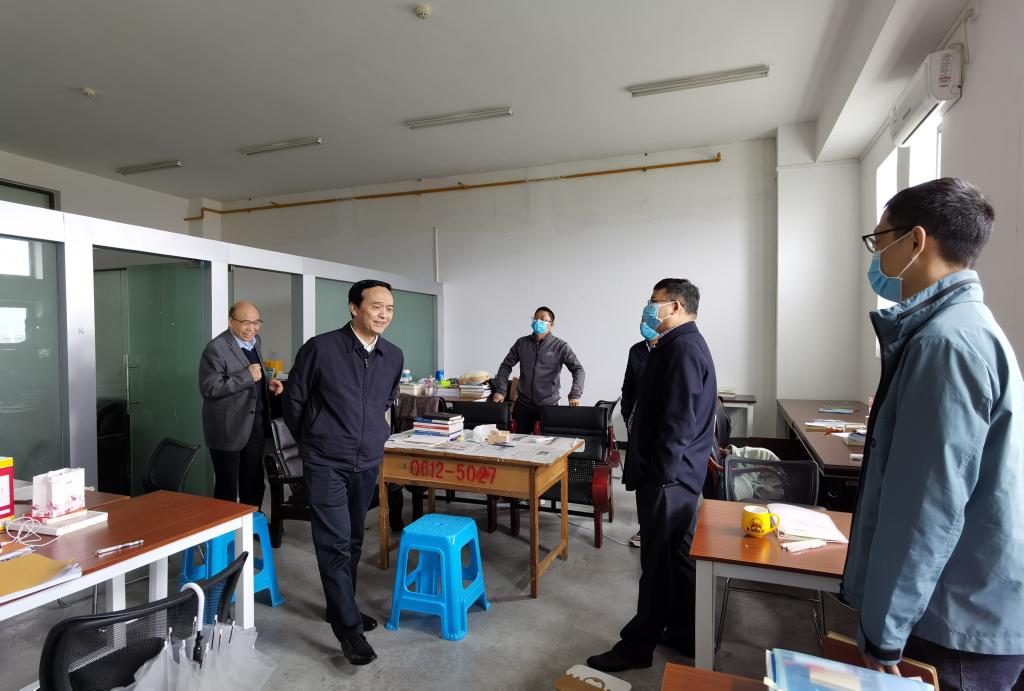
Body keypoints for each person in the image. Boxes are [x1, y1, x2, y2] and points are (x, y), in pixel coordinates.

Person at [843, 178, 1024, 688]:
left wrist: (884, 630)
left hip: (951, 621)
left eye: (880, 240)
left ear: (915, 241)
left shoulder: (945, 344)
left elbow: (926, 506)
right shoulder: (969, 327)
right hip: (968, 603)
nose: (877, 255)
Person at [587, 278, 718, 672]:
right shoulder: (679, 344)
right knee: (676, 560)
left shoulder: (682, 348)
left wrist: (660, 477)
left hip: (669, 481)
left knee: (657, 565)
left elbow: (678, 423)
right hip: (679, 478)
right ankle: (685, 633)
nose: (648, 307)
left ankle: (637, 648)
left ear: (675, 306)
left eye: (654, 301)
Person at [283, 279, 404, 667]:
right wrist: (315, 441)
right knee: (333, 544)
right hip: (325, 462)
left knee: (353, 540)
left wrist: (372, 437)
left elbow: (385, 400)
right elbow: (294, 401)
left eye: (389, 308)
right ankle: (349, 632)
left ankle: (340, 606)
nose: (383, 314)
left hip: (366, 461)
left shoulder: (392, 355)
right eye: (376, 306)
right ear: (354, 307)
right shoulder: (321, 348)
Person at [199, 300, 284, 508]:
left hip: (255, 423)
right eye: (246, 322)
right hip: (228, 427)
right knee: (227, 486)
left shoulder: (256, 341)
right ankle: (226, 527)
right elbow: (210, 388)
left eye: (256, 323)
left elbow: (255, 374)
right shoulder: (216, 348)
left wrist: (267, 383)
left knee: (254, 481)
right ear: (231, 321)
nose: (251, 328)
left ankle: (251, 522)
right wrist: (247, 376)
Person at [491, 306, 586, 434]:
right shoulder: (521, 343)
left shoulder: (560, 346)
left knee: (547, 444)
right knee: (517, 442)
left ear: (551, 325)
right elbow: (505, 366)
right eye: (536, 318)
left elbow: (578, 369)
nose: (538, 321)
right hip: (523, 405)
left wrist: (575, 394)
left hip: (548, 406)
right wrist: (501, 390)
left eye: (542, 319)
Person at [621, 321, 659, 549]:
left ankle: (659, 528)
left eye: (649, 321)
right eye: (642, 321)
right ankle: (644, 527)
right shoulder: (636, 350)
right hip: (637, 422)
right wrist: (627, 414)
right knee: (640, 478)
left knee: (658, 477)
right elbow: (628, 386)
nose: (645, 325)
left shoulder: (669, 348)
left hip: (660, 423)